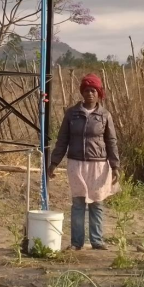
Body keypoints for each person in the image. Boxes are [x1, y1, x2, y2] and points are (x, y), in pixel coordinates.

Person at [47, 73, 120, 251]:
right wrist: (54, 163)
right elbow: (62, 140)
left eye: (93, 90)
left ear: (99, 93)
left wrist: (115, 165)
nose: (90, 94)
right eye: (86, 90)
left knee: (96, 203)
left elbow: (111, 141)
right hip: (76, 164)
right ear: (82, 93)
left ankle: (97, 240)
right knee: (78, 203)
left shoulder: (105, 115)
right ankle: (76, 242)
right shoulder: (72, 114)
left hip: (99, 165)